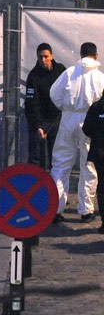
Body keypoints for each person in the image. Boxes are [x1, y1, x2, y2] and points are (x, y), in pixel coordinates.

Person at [50, 42, 104, 223]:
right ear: (96, 56)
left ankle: (55, 209)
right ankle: (86, 210)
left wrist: (65, 108)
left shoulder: (69, 72)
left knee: (60, 164)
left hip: (68, 120)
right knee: (88, 166)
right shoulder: (100, 77)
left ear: (81, 55)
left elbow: (54, 93)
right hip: (91, 122)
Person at [24, 43, 66, 169]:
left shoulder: (61, 70)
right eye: (40, 57)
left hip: (57, 119)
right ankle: (36, 185)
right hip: (40, 121)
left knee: (57, 157)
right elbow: (31, 104)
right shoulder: (33, 76)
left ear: (51, 56)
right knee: (36, 158)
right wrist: (38, 126)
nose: (43, 60)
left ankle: (54, 186)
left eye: (46, 56)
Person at [82, 90, 104, 233]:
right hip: (99, 152)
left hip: (99, 152)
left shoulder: (96, 107)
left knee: (102, 186)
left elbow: (86, 129)